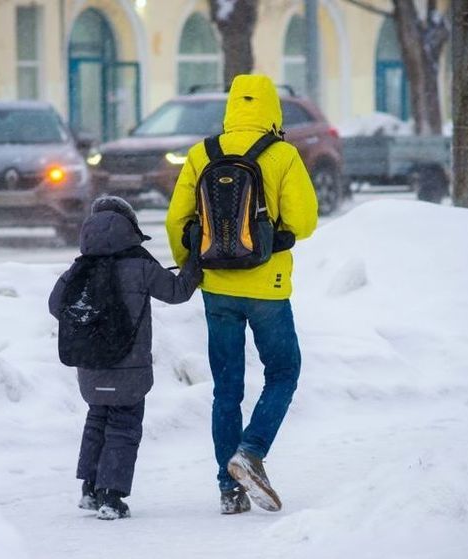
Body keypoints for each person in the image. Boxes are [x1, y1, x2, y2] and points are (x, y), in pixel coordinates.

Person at [165, 74, 318, 514]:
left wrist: (196, 266)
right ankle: (250, 451)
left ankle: (227, 491)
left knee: (226, 388)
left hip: (217, 290)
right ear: (273, 110)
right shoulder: (282, 154)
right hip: (267, 287)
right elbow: (304, 222)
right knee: (284, 371)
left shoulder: (201, 153)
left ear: (231, 108)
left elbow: (178, 220)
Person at [49, 196, 202, 520]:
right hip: (129, 368)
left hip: (91, 366)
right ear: (129, 227)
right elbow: (178, 292)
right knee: (123, 426)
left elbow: (55, 305)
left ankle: (90, 490)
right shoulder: (140, 263)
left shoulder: (80, 267)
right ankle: (111, 497)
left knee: (97, 421)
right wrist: (195, 262)